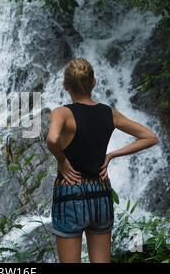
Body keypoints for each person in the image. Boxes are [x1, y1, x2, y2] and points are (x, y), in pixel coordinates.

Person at [46, 58, 159, 263]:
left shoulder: (62, 113)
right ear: (94, 82)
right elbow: (150, 137)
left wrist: (61, 160)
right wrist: (112, 155)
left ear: (65, 86)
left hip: (70, 191)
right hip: (101, 192)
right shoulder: (109, 112)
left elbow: (52, 138)